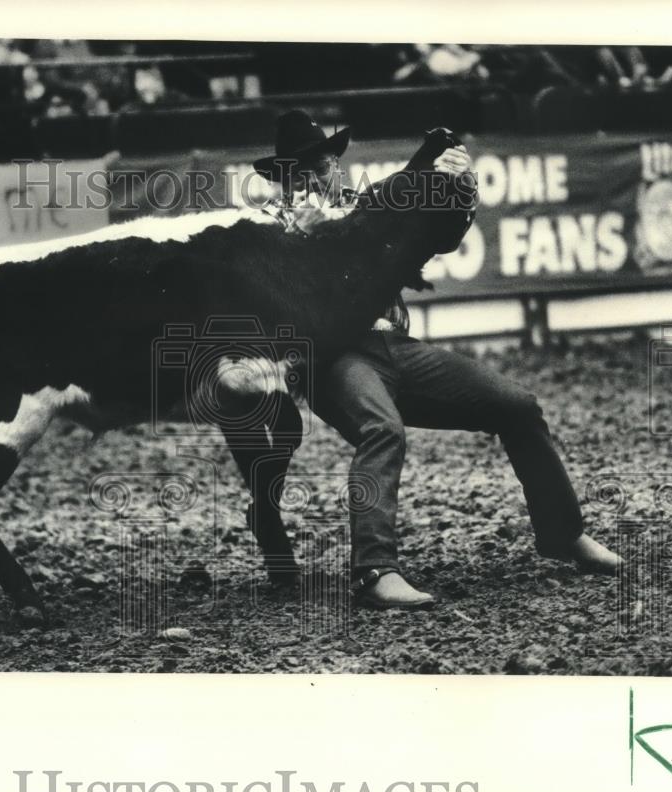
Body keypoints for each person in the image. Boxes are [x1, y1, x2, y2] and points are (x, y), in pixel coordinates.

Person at [253, 110, 622, 610]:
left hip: (394, 346)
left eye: (324, 163)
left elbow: (437, 233)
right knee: (382, 429)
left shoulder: (363, 205)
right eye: (304, 168)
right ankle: (375, 572)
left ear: (335, 165)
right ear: (284, 177)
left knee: (517, 405)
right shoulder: (266, 228)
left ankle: (563, 533)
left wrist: (458, 185)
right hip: (331, 357)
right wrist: (306, 240)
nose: (319, 174)